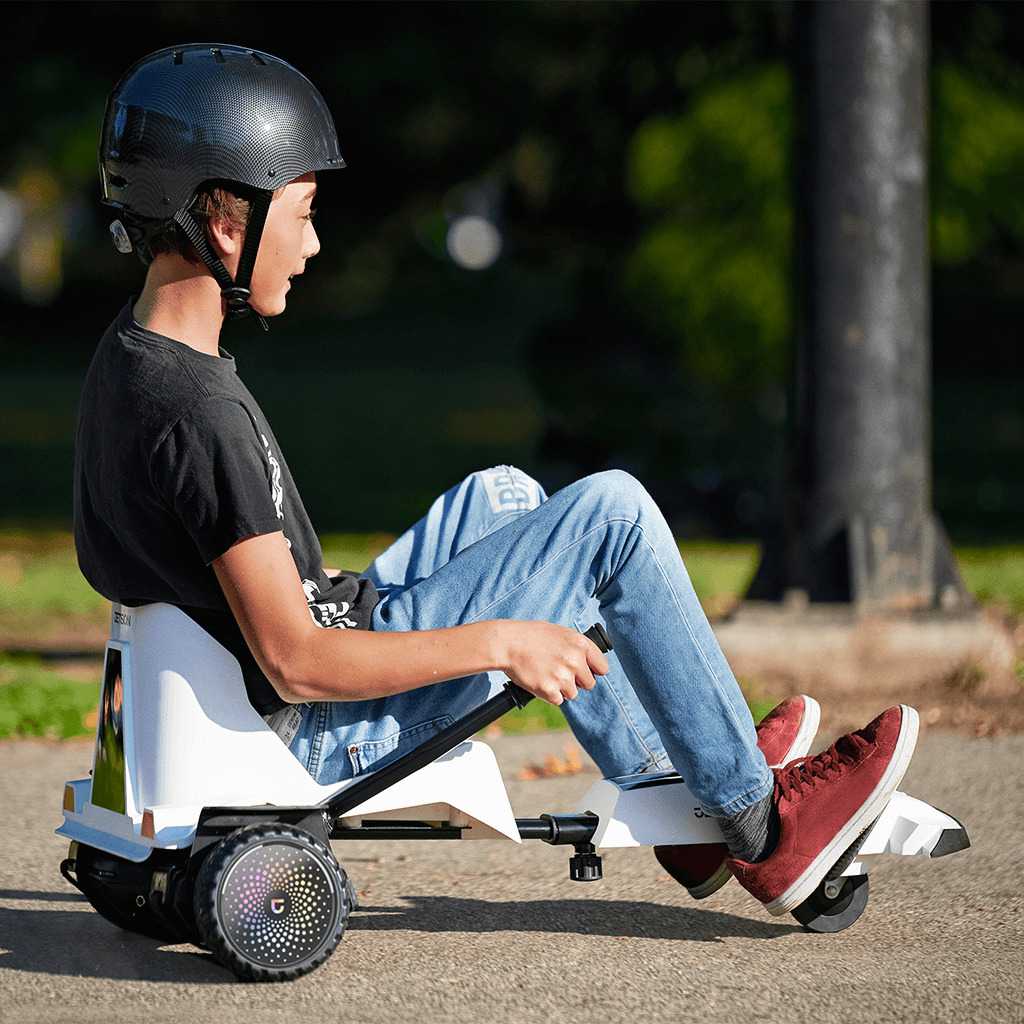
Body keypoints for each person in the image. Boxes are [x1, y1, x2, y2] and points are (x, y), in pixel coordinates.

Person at [73, 44, 918, 919]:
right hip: (312, 733)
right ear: (226, 225)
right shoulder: (197, 416)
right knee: (612, 514)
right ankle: (763, 824)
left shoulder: (136, 357)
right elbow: (297, 663)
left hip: (265, 676)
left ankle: (681, 790)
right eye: (305, 212)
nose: (316, 243)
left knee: (507, 494)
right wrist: (502, 642)